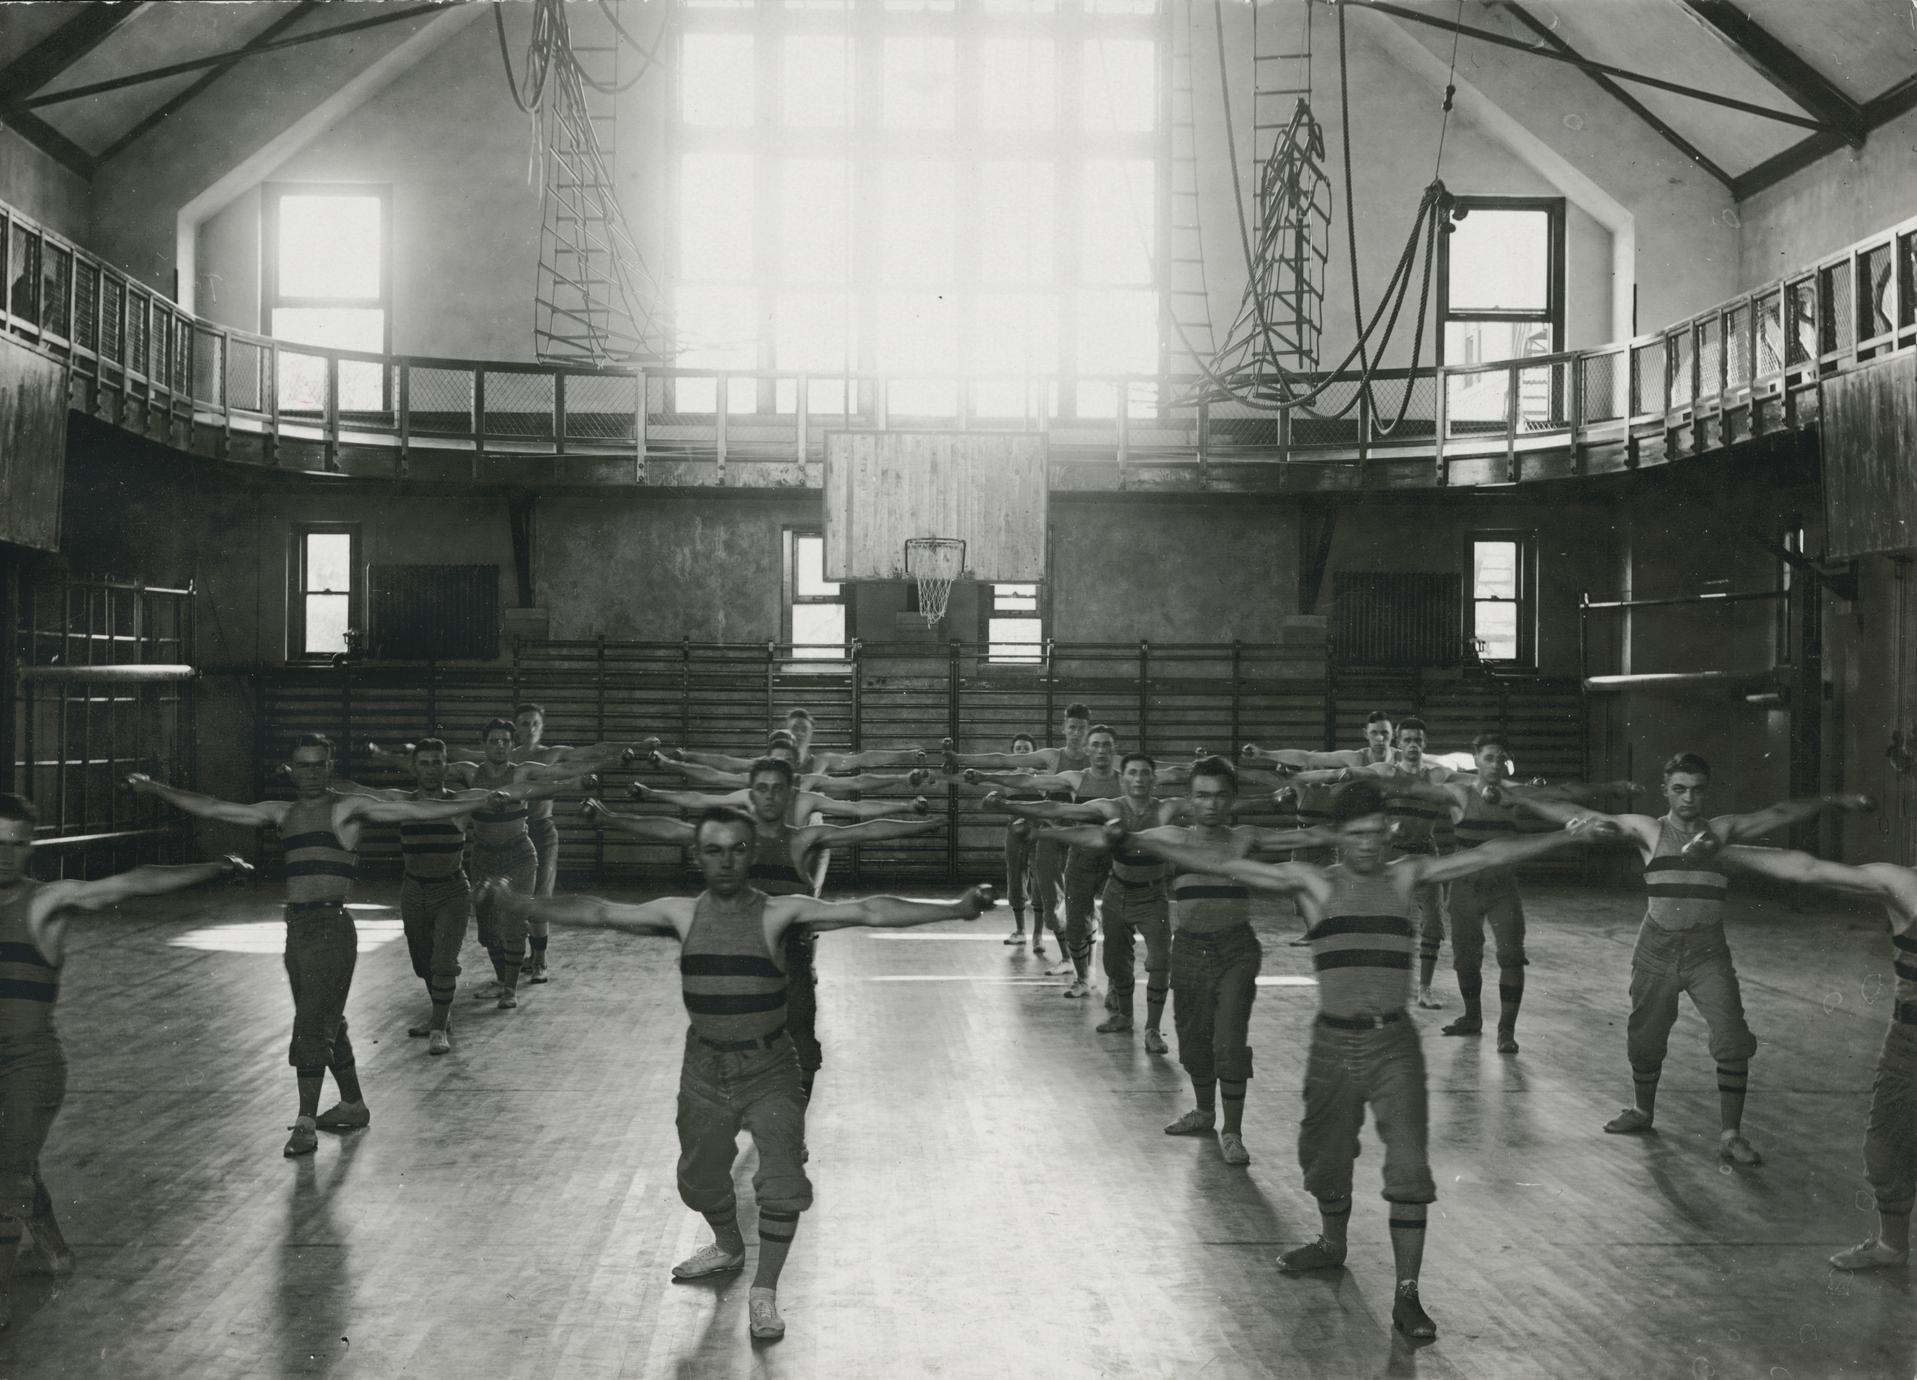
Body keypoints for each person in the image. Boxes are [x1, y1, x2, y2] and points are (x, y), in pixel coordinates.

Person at [1116, 780, 1606, 1342]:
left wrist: (1561, 837)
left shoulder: (1404, 875)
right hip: (1332, 1042)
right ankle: (1332, 1243)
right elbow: (1222, 860)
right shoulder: (1314, 884)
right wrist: (1136, 839)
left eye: (1378, 833)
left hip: (1393, 1044)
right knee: (1325, 1158)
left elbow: (1488, 853)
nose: (1370, 844)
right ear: (1339, 838)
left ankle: (1407, 1296)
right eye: (1357, 835)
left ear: (1388, 831)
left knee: (1408, 1168)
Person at [482, 808, 994, 1342]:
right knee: (698, 1181)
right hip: (704, 1066)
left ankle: (765, 1292)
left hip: (770, 1067)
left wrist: (954, 909)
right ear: (698, 856)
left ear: (751, 854)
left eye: (736, 849)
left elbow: (869, 910)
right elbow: (598, 911)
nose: (725, 860)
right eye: (713, 850)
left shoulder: (781, 912)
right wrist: (518, 902)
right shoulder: (680, 914)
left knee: (782, 1183)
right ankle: (728, 1245)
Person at [127, 735, 508, 1156]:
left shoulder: (345, 807)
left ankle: (305, 1122)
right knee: (326, 1018)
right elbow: (215, 807)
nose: (312, 773)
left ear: (329, 768)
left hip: (332, 927)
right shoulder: (282, 812)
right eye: (303, 766)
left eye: (319, 765)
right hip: (297, 929)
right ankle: (352, 1104)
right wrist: (157, 788)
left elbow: (417, 807)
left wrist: (479, 802)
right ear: (291, 770)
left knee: (311, 1026)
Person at [1513, 752, 1874, 1162]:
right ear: (1667, 790)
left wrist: (1833, 801)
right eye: (1680, 790)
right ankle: (1642, 1110)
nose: (1688, 799)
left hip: (1707, 952)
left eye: (1697, 790)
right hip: (1656, 949)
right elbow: (1577, 810)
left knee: (1733, 1039)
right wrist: (1527, 802)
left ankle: (1731, 1135)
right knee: (1646, 1039)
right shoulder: (1649, 831)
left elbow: (1779, 812)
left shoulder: (1720, 833)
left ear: (1707, 792)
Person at [0, 793, 249, 1327]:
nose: (4, 854)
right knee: (14, 1166)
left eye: (16, 845)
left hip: (29, 1063)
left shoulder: (44, 902)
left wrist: (218, 866)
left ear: (30, 849)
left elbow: (135, 880)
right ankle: (54, 1250)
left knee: (7, 1169)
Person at [586, 758, 941, 1102]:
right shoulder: (733, 841)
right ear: (751, 795)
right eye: (762, 789)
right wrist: (610, 818)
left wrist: (924, 823)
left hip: (790, 959)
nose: (770, 796)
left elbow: (865, 829)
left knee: (800, 1038)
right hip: (735, 958)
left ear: (790, 795)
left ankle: (793, 1125)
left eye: (778, 790)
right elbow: (668, 829)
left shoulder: (804, 840)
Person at [1059, 756, 1315, 1165]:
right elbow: (1100, 838)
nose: (1210, 805)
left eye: (1219, 797)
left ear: (1232, 801)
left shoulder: (1245, 836)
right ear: (1189, 800)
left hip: (1237, 950)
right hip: (1190, 949)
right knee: (1194, 1039)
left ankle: (1232, 1130)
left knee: (1228, 1041)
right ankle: (1204, 1112)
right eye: (1201, 796)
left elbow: (1308, 838)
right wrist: (1044, 827)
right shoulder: (1172, 837)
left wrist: (1354, 828)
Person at [1711, 844, 1917, 1269]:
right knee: (1883, 1152)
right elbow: (1805, 868)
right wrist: (1721, 847)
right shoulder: (1904, 884)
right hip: (1909, 1043)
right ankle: (1893, 1247)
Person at [333, 739, 591, 1053]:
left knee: (443, 962)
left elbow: (525, 791)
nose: (431, 769)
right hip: (413, 891)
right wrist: (313, 779)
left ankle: (439, 1027)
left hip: (451, 890)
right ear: (416, 767)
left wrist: (573, 783)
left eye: (437, 762)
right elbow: (358, 791)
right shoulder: (400, 801)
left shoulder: (462, 801)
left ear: (447, 767)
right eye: (424, 763)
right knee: (423, 963)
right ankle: (441, 1015)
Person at [368, 717, 632, 982]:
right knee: (488, 927)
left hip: (519, 849)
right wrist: (384, 757)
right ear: (483, 744)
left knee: (518, 917)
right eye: (493, 741)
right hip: (484, 853)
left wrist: (606, 766)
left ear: (512, 745)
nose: (499, 746)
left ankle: (517, 982)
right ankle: (504, 979)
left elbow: (558, 773)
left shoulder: (520, 772)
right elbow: (426, 770)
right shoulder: (470, 772)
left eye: (505, 741)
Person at [1426, 732, 1636, 1053]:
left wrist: (1611, 788)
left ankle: (1506, 1031)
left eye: (1500, 758)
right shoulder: (1459, 794)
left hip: (1502, 886)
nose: (1495, 764)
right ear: (1477, 761)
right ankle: (1471, 1017)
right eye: (1489, 758)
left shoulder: (1519, 796)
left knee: (1511, 957)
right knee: (1465, 959)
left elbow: (1565, 792)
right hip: (1464, 885)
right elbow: (1413, 789)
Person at [984, 750, 1187, 1049]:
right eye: (1133, 773)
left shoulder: (1166, 809)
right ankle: (1124, 1016)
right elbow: (1056, 808)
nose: (1139, 779)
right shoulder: (1110, 807)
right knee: (1116, 963)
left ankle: (1153, 1029)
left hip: (1153, 895)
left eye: (1145, 773)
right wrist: (1007, 804)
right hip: (1118, 892)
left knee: (1159, 962)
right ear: (1124, 778)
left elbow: (1208, 801)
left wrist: (1273, 797)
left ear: (1154, 779)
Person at [1291, 717, 1455, 1007]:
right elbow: (1345, 772)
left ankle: (1425, 989)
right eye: (1407, 740)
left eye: (1418, 740)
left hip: (1425, 853)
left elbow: (1471, 784)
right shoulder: (1384, 772)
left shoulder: (1438, 775)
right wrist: (1303, 779)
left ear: (1425, 744)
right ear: (1398, 744)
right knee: (1385, 920)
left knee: (1432, 924)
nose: (1413, 745)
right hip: (1391, 855)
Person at [964, 723, 1125, 998]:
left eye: (1105, 745)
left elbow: (1053, 806)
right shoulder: (1066, 776)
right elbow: (1029, 787)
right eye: (1094, 744)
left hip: (1101, 851)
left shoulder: (1118, 779)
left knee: (1115, 922)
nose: (1099, 750)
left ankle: (1111, 982)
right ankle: (1071, 964)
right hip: (1058, 844)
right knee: (1053, 903)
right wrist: (978, 775)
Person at [946, 703, 1096, 976]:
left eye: (1081, 728)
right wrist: (962, 760)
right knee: (1052, 903)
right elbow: (1004, 760)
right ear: (1064, 729)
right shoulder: (1052, 757)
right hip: (1050, 832)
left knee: (1085, 906)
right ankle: (1065, 958)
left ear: (1088, 730)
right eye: (1071, 727)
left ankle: (1086, 965)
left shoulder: (1097, 758)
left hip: (1085, 838)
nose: (1076, 733)